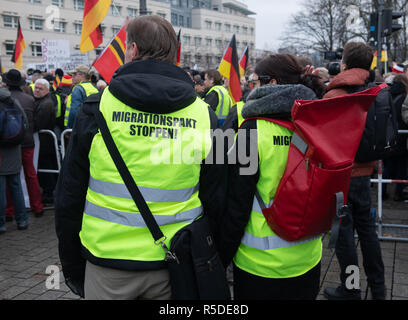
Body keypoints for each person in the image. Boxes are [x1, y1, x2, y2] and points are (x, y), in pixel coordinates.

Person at [55, 15, 224, 300]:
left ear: (132, 50)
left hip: (107, 260)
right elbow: (217, 196)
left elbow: (69, 195)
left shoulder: (96, 109)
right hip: (176, 261)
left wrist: (72, 263)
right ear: (175, 53)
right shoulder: (204, 115)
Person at [218, 53, 325, 300]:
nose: (252, 87)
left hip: (260, 265)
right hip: (307, 258)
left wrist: (221, 257)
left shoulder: (251, 130)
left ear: (273, 83)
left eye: (256, 81)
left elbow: (237, 205)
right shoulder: (317, 121)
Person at [323, 42, 386, 300]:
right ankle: (379, 288)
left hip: (342, 176)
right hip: (366, 173)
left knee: (345, 235)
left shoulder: (334, 95)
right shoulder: (377, 92)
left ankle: (351, 288)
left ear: (344, 64)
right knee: (368, 232)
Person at [3, 70, 44, 219]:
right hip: (27, 141)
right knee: (31, 174)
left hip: (9, 144)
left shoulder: (4, 99)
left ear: (6, 83)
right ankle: (37, 206)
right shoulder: (29, 99)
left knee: (8, 176)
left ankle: (9, 210)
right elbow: (35, 121)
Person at [0, 86, 29, 234]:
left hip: (1, 152)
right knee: (16, 186)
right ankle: (22, 220)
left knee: (1, 189)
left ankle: (1, 223)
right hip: (14, 150)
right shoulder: (13, 101)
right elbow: (25, 124)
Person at [383, 74, 408, 201]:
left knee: (388, 165)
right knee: (401, 166)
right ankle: (398, 193)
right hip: (401, 136)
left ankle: (382, 192)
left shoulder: (388, 95)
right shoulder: (403, 97)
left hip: (389, 134)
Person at [33, 79, 57, 205]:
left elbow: (38, 123)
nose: (36, 90)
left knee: (46, 168)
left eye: (40, 88)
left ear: (47, 90)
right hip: (43, 142)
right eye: (36, 87)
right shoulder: (41, 101)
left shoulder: (46, 103)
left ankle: (48, 195)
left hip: (44, 143)